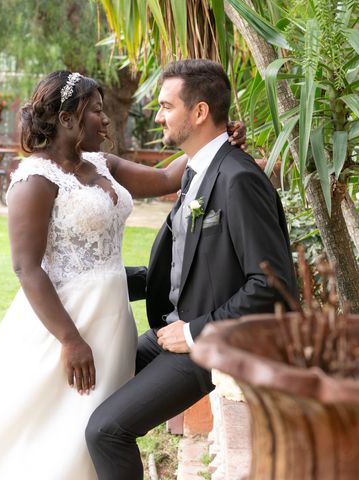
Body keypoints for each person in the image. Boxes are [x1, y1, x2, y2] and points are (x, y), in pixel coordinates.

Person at [0, 70, 245, 480]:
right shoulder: (35, 180)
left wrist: (216, 140)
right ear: (68, 118)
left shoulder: (102, 164)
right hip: (66, 325)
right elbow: (26, 267)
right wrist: (70, 340)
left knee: (90, 430)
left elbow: (164, 179)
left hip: (111, 321)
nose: (105, 120)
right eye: (96, 112)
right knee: (44, 427)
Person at [85, 59, 297, 479]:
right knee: (83, 388)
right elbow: (189, 265)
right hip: (171, 333)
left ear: (199, 112)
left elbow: (273, 286)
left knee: (106, 431)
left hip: (208, 344)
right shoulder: (198, 171)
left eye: (167, 106)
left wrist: (195, 331)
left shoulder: (238, 179)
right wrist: (93, 282)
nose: (158, 114)